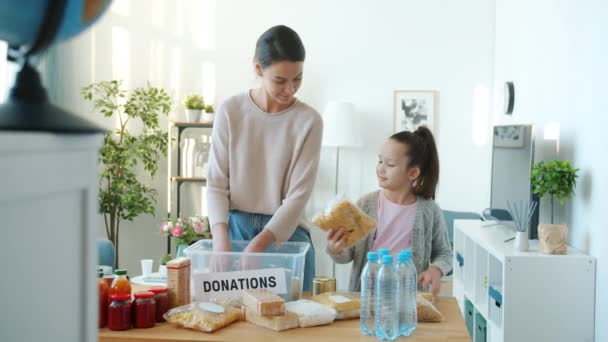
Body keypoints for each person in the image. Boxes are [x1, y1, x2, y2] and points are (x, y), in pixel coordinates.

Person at [206, 25, 323, 291]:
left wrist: (260, 244)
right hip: (234, 230)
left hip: (285, 235)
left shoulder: (309, 121)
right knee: (233, 321)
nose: (290, 89)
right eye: (280, 81)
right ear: (259, 69)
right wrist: (220, 240)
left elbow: (298, 197)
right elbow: (215, 183)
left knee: (293, 324)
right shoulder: (230, 111)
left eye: (298, 79)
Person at [326, 126, 452, 296]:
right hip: (365, 296)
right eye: (380, 161)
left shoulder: (429, 211)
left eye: (390, 164)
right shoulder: (364, 205)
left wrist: (436, 269)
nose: (381, 169)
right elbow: (347, 255)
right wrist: (336, 248)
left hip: (408, 300)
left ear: (413, 172)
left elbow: (444, 253)